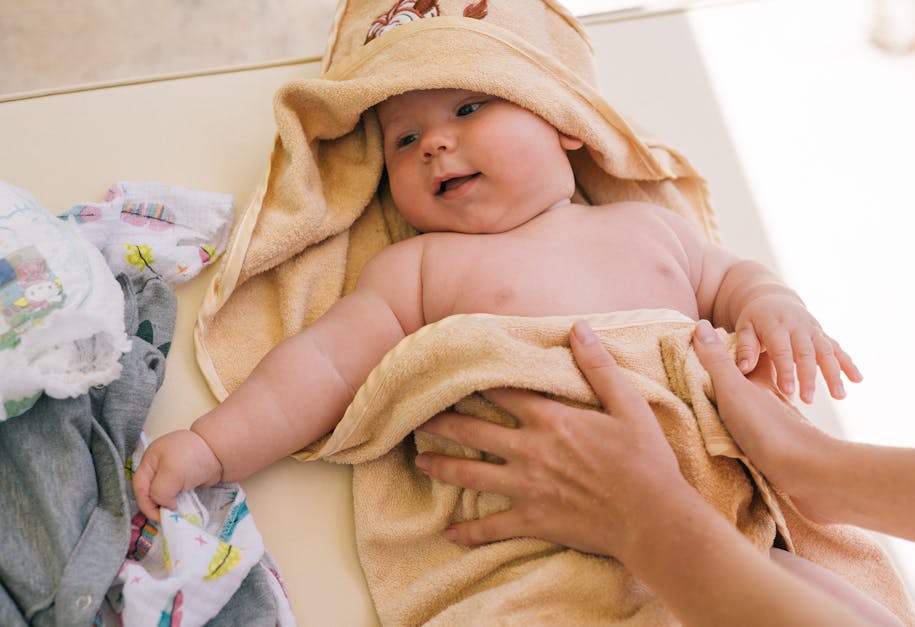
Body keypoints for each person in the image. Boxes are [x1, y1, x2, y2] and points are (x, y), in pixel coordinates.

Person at [132, 87, 871, 614]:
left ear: (563, 125)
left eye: (468, 109)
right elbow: (321, 366)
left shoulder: (647, 227)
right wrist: (212, 446)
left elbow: (735, 280)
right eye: (403, 140)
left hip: (718, 520)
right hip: (547, 546)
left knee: (827, 598)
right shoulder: (421, 268)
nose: (434, 143)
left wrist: (775, 308)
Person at [413, 319, 915, 625]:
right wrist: (812, 463)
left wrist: (641, 513)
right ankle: (817, 473)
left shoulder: (641, 226)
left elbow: (718, 272)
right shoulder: (425, 261)